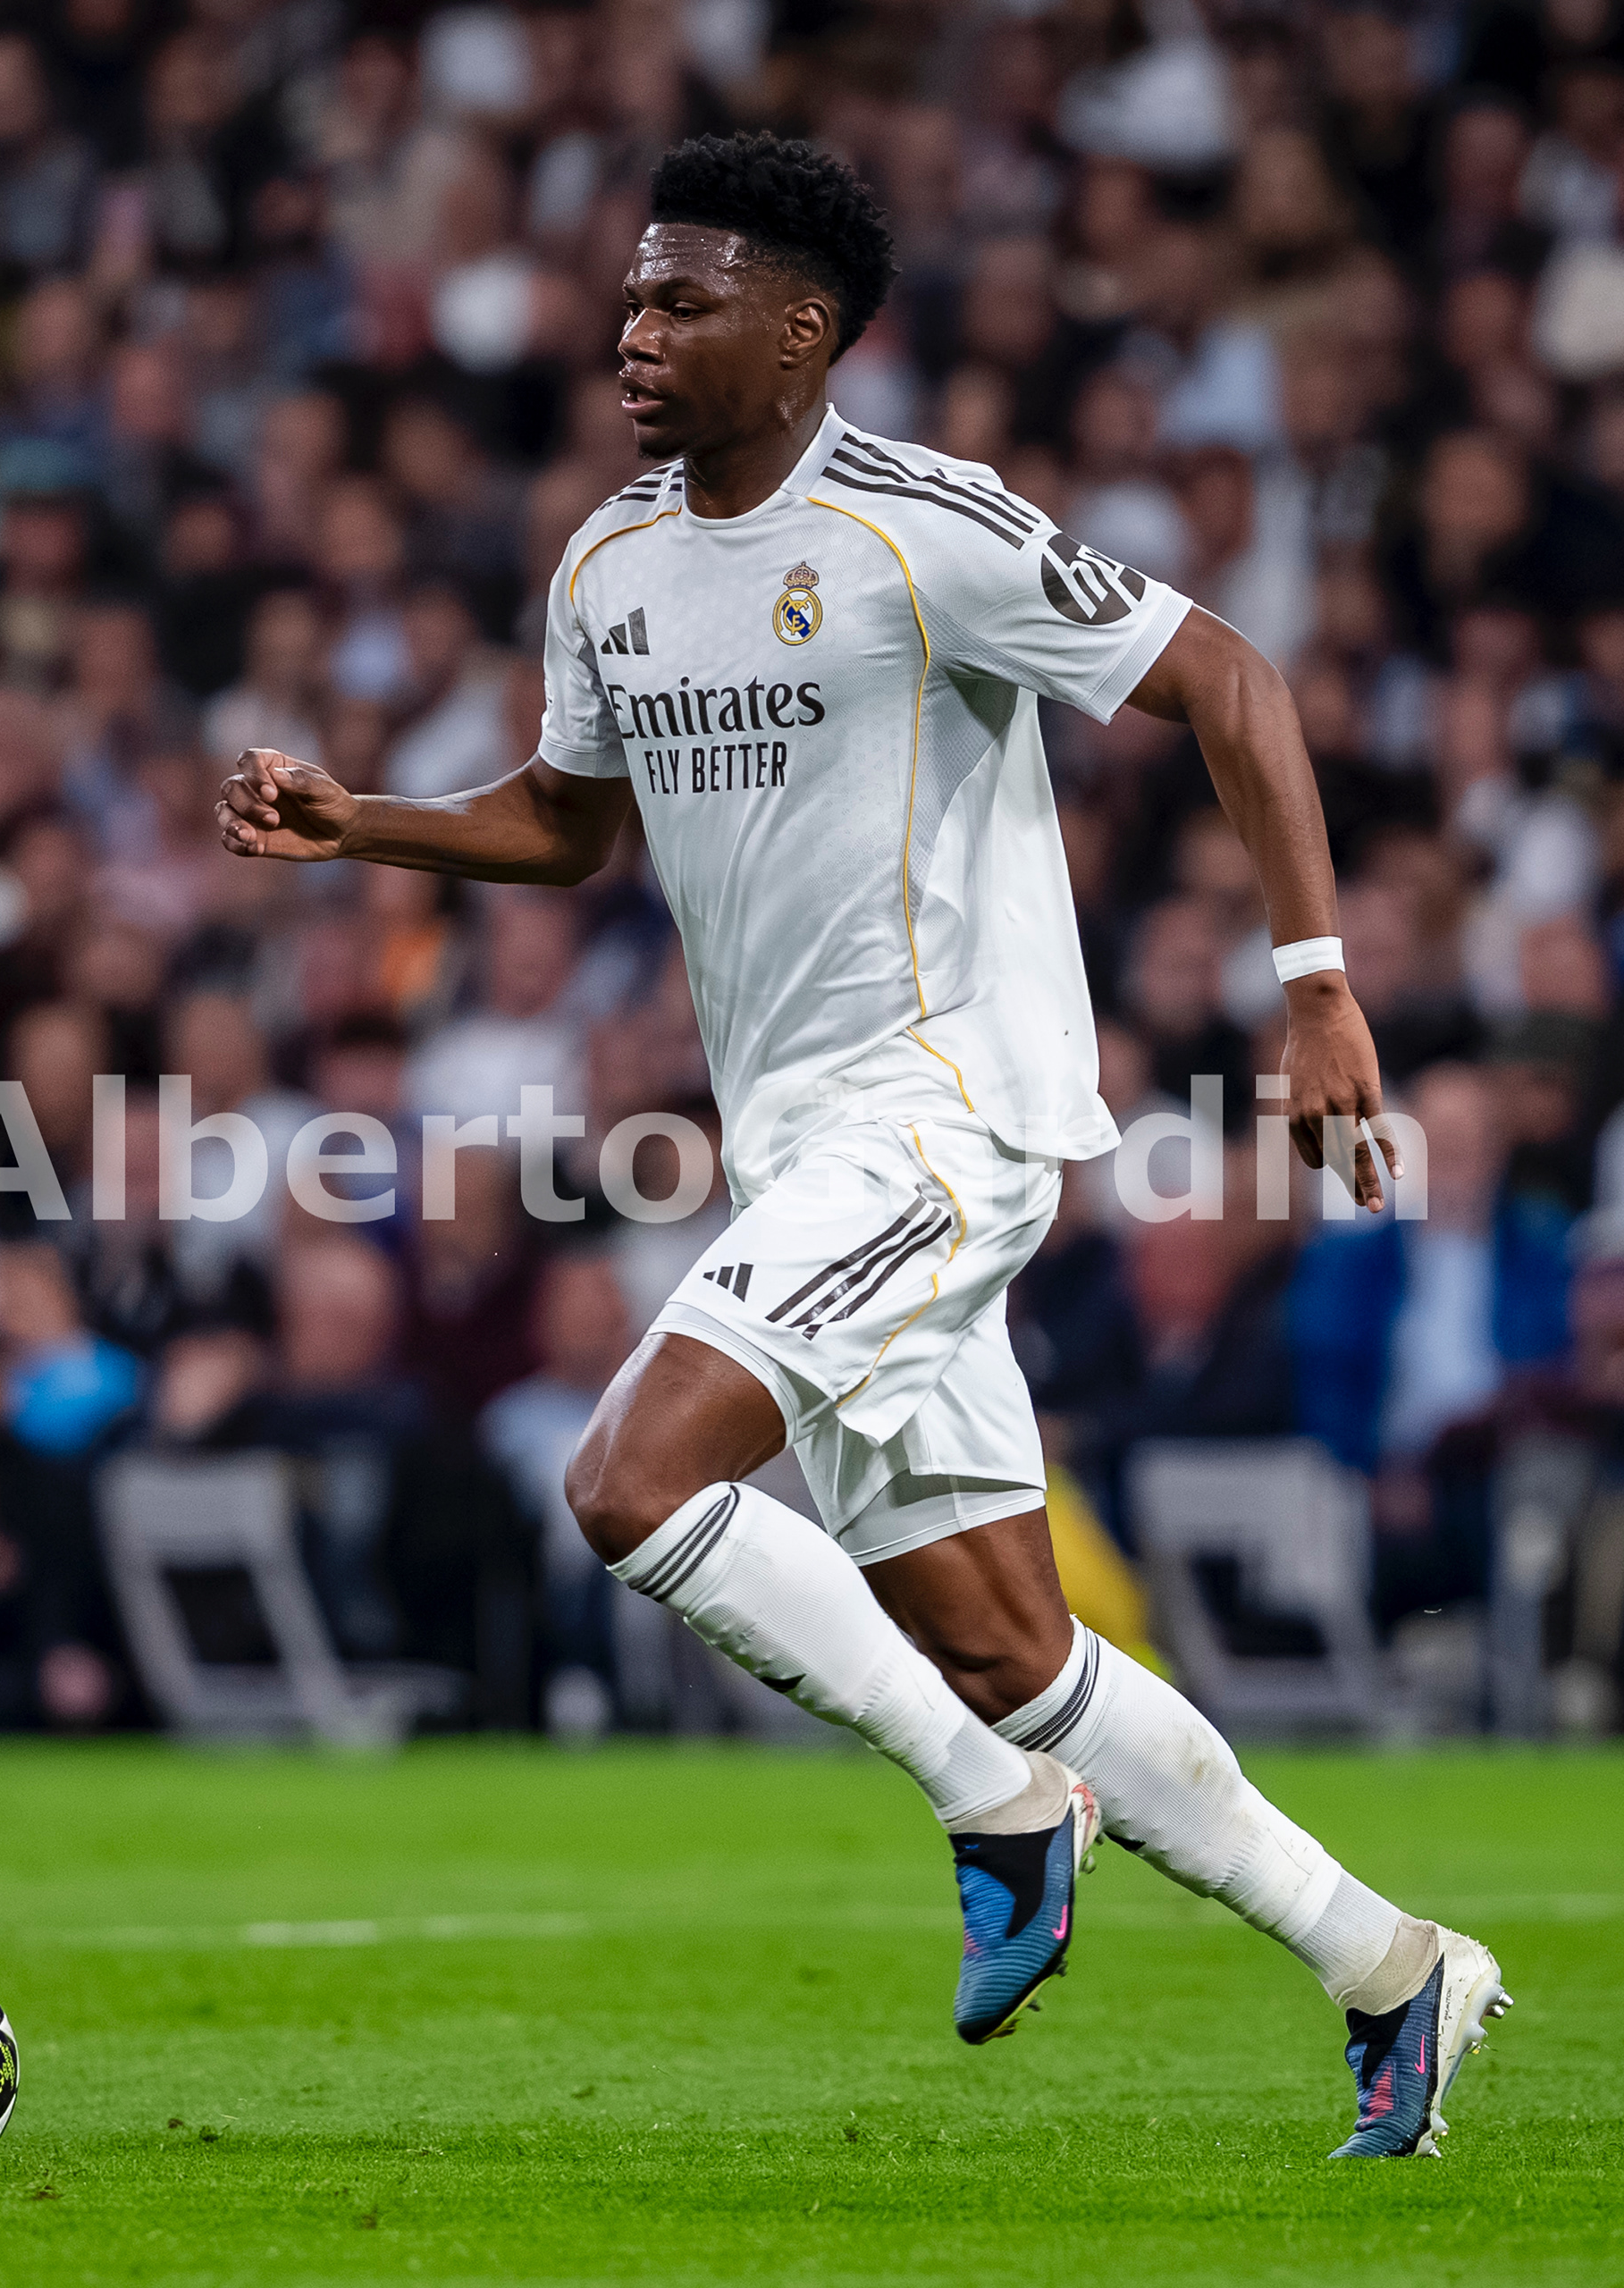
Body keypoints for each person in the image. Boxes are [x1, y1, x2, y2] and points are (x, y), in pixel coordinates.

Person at [216, 135, 1504, 2158]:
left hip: (945, 1113)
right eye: (631, 297)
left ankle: (998, 1814)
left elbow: (1232, 683)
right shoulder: (609, 562)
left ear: (804, 330)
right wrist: (361, 821)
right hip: (799, 1145)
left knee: (630, 1479)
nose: (636, 332)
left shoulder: (927, 529)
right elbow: (567, 819)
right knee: (1008, 1647)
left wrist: (1317, 984)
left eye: (684, 299)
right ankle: (1392, 1963)